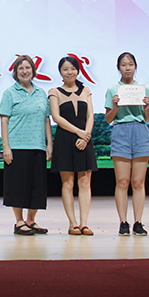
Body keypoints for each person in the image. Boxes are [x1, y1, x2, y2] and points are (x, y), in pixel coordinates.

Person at [0, 55, 53, 236]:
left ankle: (31, 220)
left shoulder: (41, 93)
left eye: (27, 68)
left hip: (37, 145)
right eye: (20, 68)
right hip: (17, 145)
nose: (24, 71)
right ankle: (19, 222)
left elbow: (46, 119)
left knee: (37, 186)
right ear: (15, 72)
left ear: (33, 70)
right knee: (18, 186)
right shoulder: (9, 93)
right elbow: (4, 120)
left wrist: (49, 143)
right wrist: (6, 147)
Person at [104, 52, 149, 236]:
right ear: (119, 68)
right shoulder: (112, 90)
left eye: (130, 64)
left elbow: (147, 118)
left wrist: (147, 107)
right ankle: (123, 222)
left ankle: (138, 222)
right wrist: (115, 106)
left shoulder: (143, 89)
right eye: (123, 65)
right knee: (122, 181)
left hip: (140, 131)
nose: (127, 68)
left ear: (135, 66)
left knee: (138, 182)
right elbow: (109, 119)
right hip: (121, 131)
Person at [49, 56, 97, 236]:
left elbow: (90, 116)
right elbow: (56, 117)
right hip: (65, 139)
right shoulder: (55, 92)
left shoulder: (86, 91)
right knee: (68, 183)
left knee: (85, 182)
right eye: (65, 69)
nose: (69, 72)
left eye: (73, 68)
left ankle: (84, 223)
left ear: (78, 70)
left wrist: (86, 136)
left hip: (85, 139)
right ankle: (73, 224)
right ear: (60, 72)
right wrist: (79, 133)